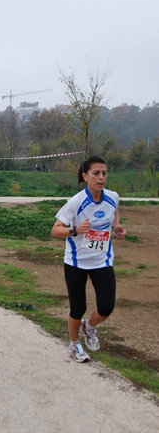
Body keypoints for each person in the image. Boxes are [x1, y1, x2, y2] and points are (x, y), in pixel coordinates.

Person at [51, 155, 126, 363]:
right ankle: (74, 344)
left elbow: (114, 210)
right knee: (78, 308)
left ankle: (88, 327)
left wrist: (117, 227)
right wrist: (75, 230)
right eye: (96, 173)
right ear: (85, 176)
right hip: (76, 262)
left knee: (106, 306)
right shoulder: (76, 202)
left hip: (102, 261)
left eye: (104, 173)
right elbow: (55, 230)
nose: (101, 178)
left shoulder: (112, 196)